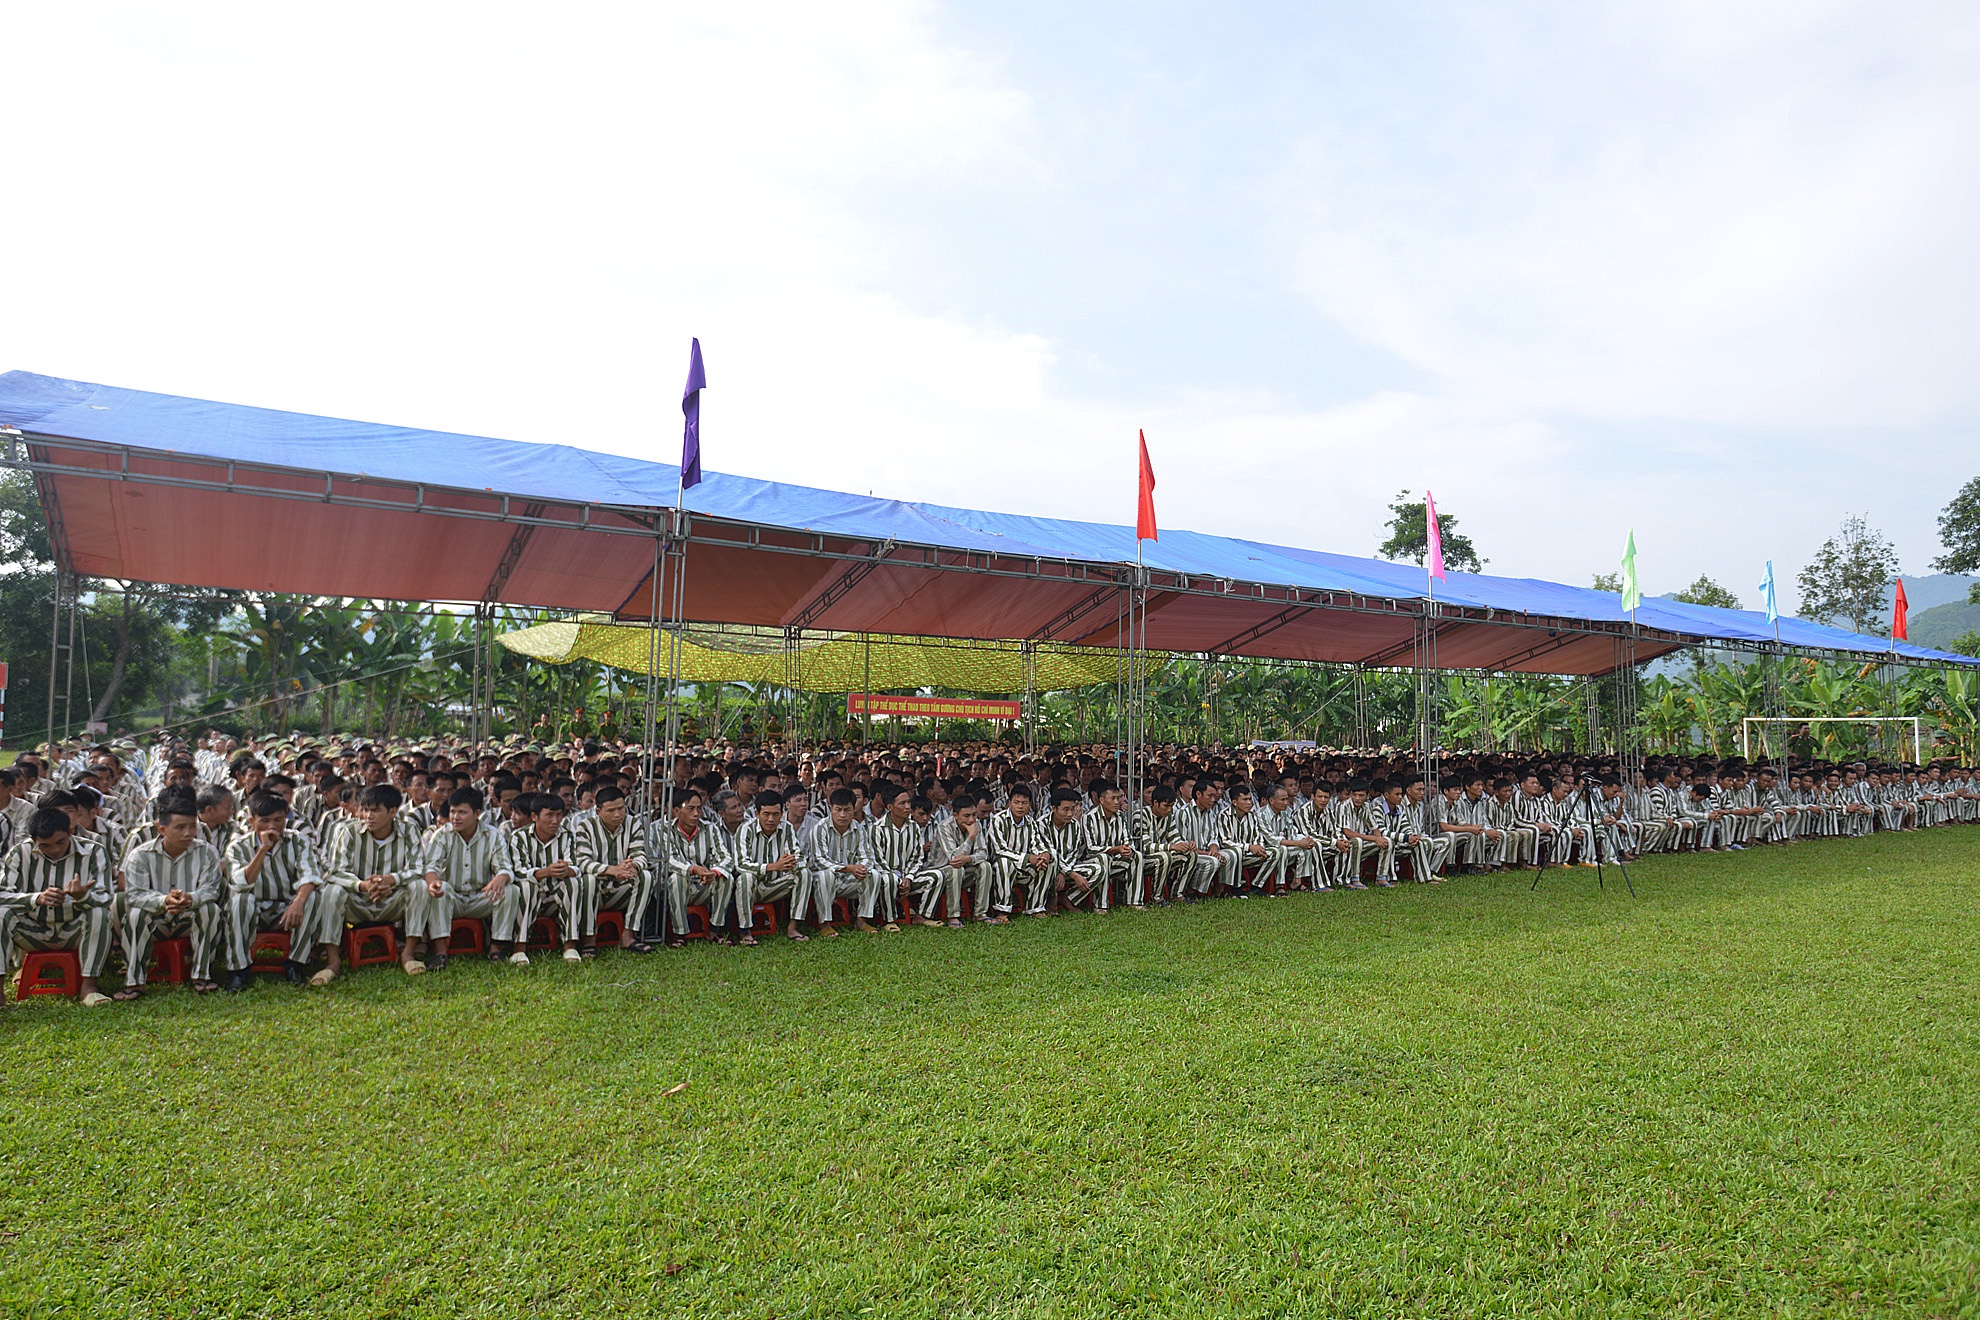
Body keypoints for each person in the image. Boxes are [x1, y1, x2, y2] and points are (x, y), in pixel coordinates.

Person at [0, 807, 116, 1006]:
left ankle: (89, 987)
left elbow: (106, 898)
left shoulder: (94, 852)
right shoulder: (20, 853)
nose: (54, 849)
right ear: (34, 840)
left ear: (71, 832)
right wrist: (35, 899)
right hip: (32, 931)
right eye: (45, 845)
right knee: (1, 914)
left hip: (75, 931)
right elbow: (2, 894)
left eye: (60, 842)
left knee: (99, 913)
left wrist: (83, 896)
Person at [223, 791, 337, 991]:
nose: (272, 826)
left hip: (287, 906)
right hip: (255, 906)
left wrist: (298, 903)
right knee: (240, 900)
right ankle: (238, 970)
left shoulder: (298, 840)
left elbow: (310, 875)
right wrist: (262, 850)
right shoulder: (238, 846)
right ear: (252, 821)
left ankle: (296, 963)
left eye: (278, 820)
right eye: (265, 821)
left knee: (313, 897)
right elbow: (241, 882)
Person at [120, 789, 227, 996]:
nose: (188, 833)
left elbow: (211, 889)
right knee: (135, 913)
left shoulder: (207, 852)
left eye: (192, 827)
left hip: (189, 916)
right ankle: (134, 981)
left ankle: (202, 975)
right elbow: (134, 894)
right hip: (157, 918)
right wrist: (163, 901)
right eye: (180, 827)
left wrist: (190, 898)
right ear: (162, 829)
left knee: (211, 910)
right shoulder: (140, 855)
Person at [421, 786, 536, 968]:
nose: (455, 817)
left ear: (477, 814)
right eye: (453, 812)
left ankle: (496, 948)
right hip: (453, 897)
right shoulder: (442, 834)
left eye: (462, 812)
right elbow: (430, 866)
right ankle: (440, 953)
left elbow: (505, 867)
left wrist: (501, 877)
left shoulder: (492, 835)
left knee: (510, 889)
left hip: (482, 896)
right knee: (439, 889)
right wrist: (433, 881)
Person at [322, 783, 427, 976]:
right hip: (358, 900)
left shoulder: (409, 830)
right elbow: (336, 871)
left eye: (376, 811)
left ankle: (409, 953)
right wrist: (362, 885)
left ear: (393, 811)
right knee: (332, 890)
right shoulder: (349, 832)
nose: (369, 816)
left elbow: (418, 868)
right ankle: (332, 961)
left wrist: (391, 880)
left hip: (391, 900)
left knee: (419, 886)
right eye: (366, 810)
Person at [568, 785, 656, 955]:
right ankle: (588, 938)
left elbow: (640, 856)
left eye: (621, 808)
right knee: (588, 879)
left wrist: (633, 866)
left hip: (622, 888)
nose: (617, 814)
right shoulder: (585, 826)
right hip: (595, 891)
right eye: (611, 810)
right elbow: (582, 863)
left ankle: (628, 935)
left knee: (645, 876)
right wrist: (612, 870)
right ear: (598, 810)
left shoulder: (633, 823)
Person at [732, 790, 804, 941]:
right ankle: (745, 931)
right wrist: (773, 866)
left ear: (782, 813)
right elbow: (741, 864)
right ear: (757, 813)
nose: (771, 819)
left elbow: (797, 856)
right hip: (752, 887)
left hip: (776, 885)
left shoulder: (787, 828)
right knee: (745, 877)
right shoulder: (746, 829)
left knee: (804, 873)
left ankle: (793, 927)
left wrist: (792, 863)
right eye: (766, 814)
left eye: (776, 814)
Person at [801, 787, 871, 936]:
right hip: (821, 879)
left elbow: (866, 856)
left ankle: (862, 920)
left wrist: (862, 868)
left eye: (847, 810)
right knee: (827, 875)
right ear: (830, 808)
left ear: (854, 809)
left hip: (849, 878)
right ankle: (824, 924)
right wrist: (848, 868)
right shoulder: (820, 828)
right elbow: (820, 861)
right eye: (838, 809)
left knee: (874, 875)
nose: (842, 815)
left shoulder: (859, 829)